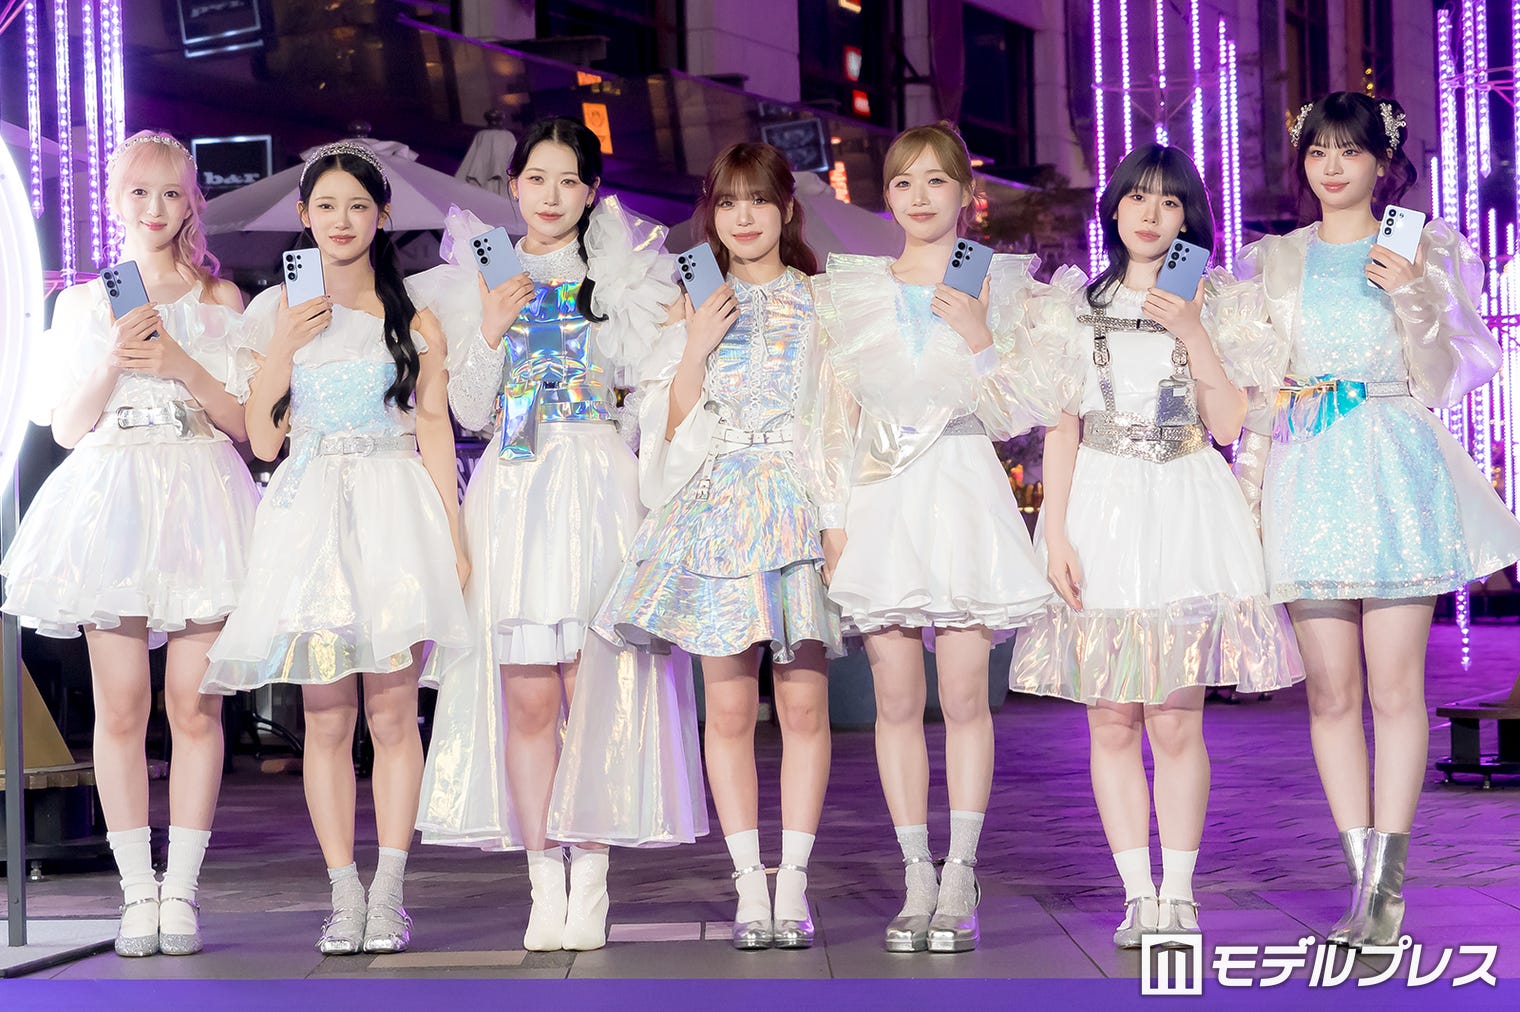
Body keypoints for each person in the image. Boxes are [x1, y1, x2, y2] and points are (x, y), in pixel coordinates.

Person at [1223, 92, 1520, 946]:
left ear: (1381, 163)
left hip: (1393, 465)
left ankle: (1386, 893)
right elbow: (1256, 382)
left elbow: (1448, 374)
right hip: (1307, 469)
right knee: (1329, 694)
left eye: (1349, 151)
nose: (1332, 166)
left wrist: (1415, 295)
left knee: (1395, 691)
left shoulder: (1422, 246)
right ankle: (1363, 883)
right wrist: (1248, 481)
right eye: (1318, 150)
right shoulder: (1274, 259)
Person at [411, 116, 705, 953]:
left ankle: (594, 881)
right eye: (536, 179)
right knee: (528, 697)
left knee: (597, 689)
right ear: (513, 187)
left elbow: (655, 386)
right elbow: (469, 409)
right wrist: (489, 329)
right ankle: (544, 882)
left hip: (598, 484)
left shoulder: (623, 273)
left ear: (591, 192)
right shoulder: (479, 275)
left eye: (568, 180)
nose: (550, 195)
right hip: (514, 487)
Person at [1010, 143, 1304, 947]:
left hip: (1185, 501)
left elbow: (1231, 423)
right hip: (1101, 505)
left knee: (1175, 719)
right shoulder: (1075, 306)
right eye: (1137, 197)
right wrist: (1054, 534)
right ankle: (1136, 895)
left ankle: (1180, 894)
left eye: (1170, 202)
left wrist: (1194, 331)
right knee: (1111, 718)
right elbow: (1062, 428)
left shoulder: (1220, 303)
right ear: (1112, 207)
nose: (1150, 213)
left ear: (1189, 219)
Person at [201, 142, 470, 956]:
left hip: (394, 518)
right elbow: (261, 440)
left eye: (358, 206)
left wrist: (455, 540)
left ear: (382, 216)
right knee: (324, 717)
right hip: (311, 521)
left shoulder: (413, 317)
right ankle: (342, 894)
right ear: (304, 216)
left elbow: (433, 430)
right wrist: (284, 345)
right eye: (326, 207)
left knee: (392, 714)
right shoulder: (273, 310)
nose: (342, 221)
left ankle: (389, 894)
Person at [807, 122, 1068, 953]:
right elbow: (833, 418)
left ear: (966, 194)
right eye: (903, 183)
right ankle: (916, 871)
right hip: (880, 498)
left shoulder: (998, 282)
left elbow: (1022, 411)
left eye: (936, 181)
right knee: (893, 699)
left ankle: (961, 870)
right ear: (886, 197)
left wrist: (983, 336)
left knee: (961, 697)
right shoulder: (855, 288)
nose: (919, 198)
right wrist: (833, 521)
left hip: (960, 488)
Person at [1, 130, 256, 957]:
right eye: (140, 192)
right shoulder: (82, 303)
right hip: (111, 503)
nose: (155, 208)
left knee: (195, 704)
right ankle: (136, 893)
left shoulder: (221, 298)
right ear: (115, 200)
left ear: (191, 202)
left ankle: (181, 892)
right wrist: (113, 360)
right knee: (120, 708)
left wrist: (180, 362)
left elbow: (245, 423)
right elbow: (67, 429)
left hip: (203, 498)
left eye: (171, 192)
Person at [596, 142, 840, 950]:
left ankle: (793, 883)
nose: (744, 217)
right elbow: (661, 428)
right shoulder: (688, 304)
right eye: (729, 202)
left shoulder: (822, 302)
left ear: (786, 210)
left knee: (802, 706)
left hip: (796, 509)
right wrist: (697, 343)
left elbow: (839, 419)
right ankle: (747, 887)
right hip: (713, 510)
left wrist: (837, 519)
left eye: (758, 200)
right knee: (729, 709)